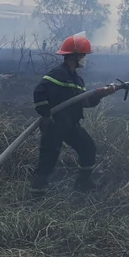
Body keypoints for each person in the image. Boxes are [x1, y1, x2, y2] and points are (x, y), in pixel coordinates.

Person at [31, 33, 118, 193]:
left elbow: (84, 102)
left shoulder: (77, 80)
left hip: (71, 123)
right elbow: (39, 92)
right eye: (84, 55)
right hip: (54, 123)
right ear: (74, 56)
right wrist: (46, 115)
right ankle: (37, 193)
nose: (85, 58)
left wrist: (102, 94)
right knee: (48, 157)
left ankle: (82, 184)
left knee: (88, 148)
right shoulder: (58, 74)